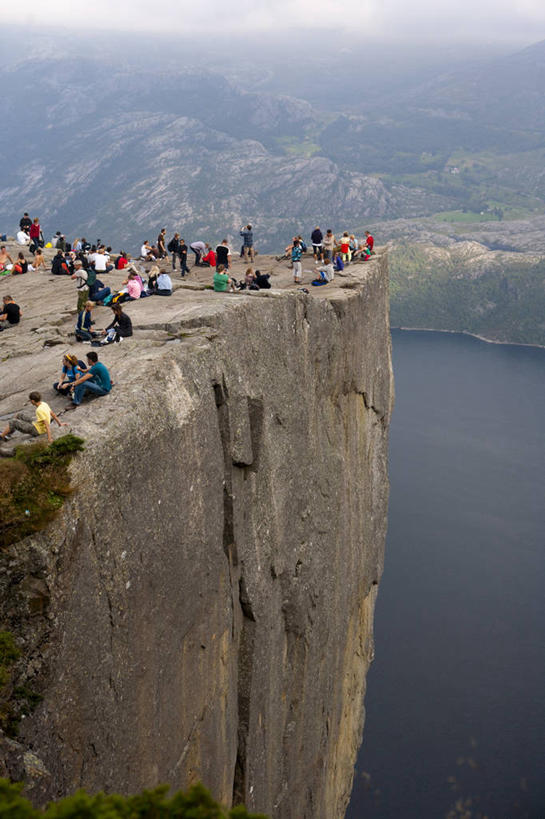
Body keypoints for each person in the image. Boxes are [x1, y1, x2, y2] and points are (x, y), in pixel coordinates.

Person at [1, 392, 67, 443]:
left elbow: (47, 425)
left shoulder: (39, 410)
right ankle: (9, 433)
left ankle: (1, 437)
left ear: (33, 401)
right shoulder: (44, 404)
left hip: (37, 430)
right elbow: (53, 414)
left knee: (13, 422)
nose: (30, 401)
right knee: (19, 415)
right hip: (37, 424)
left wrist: (49, 438)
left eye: (30, 400)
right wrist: (60, 424)